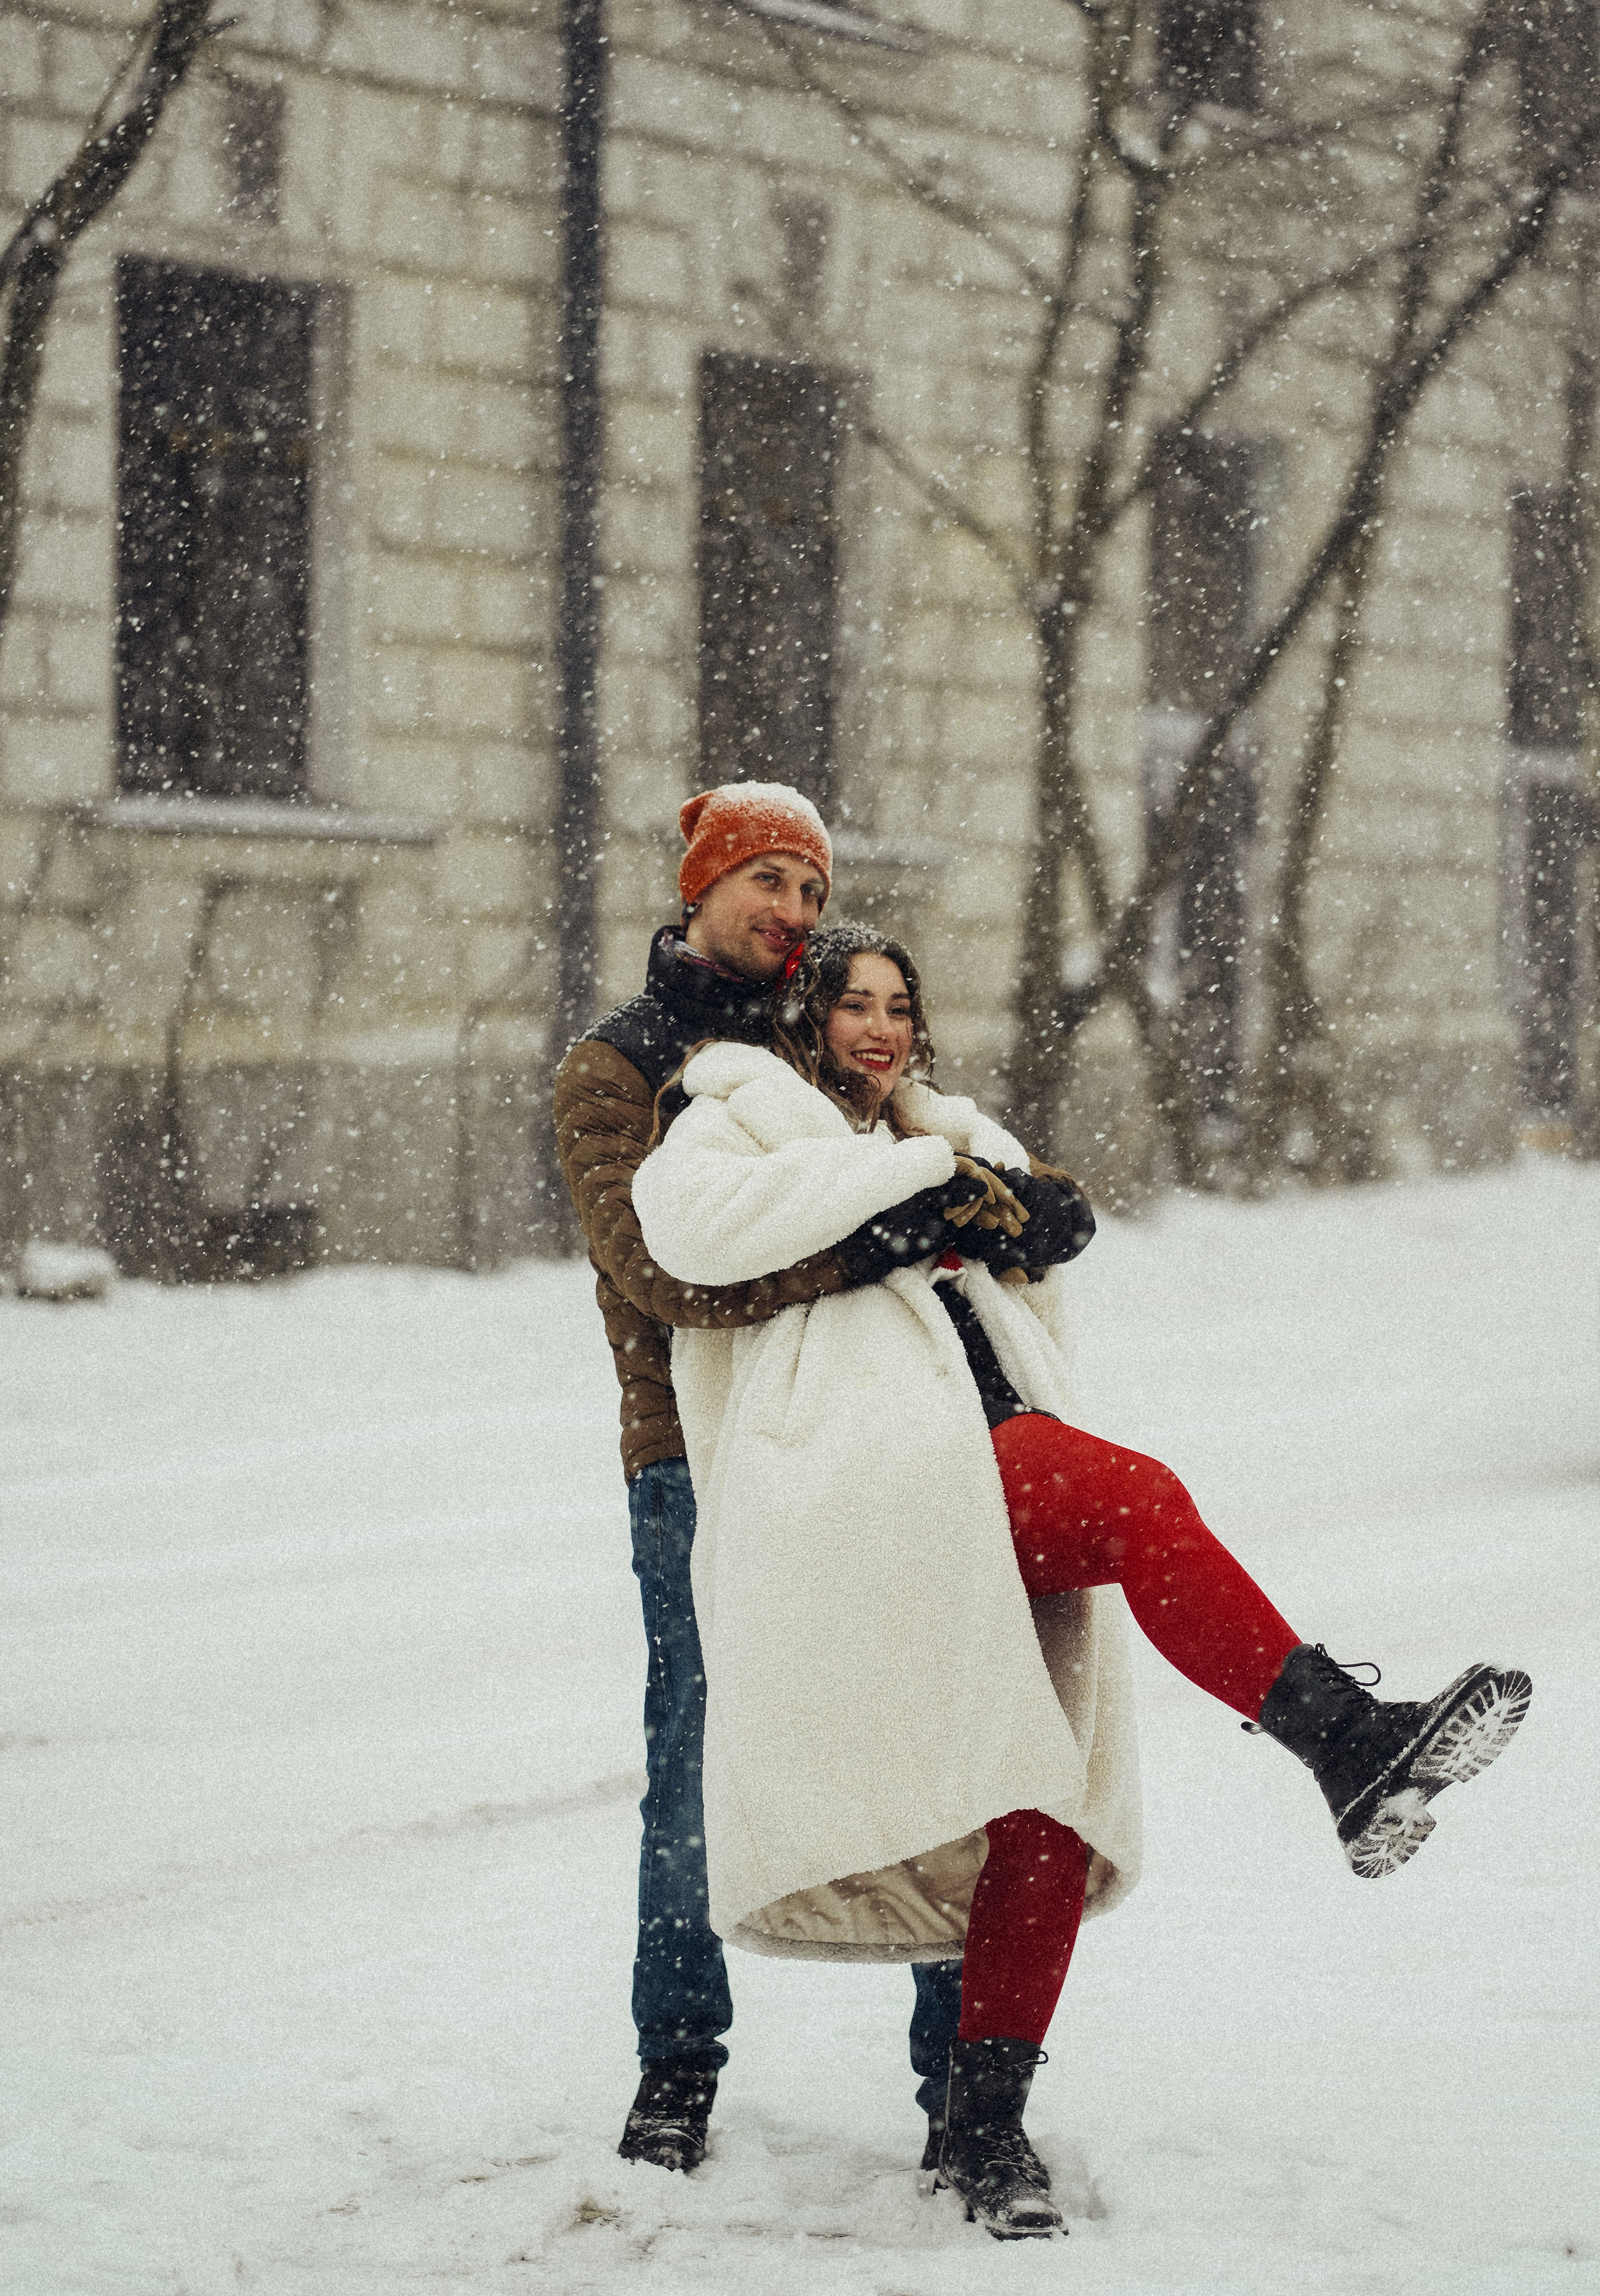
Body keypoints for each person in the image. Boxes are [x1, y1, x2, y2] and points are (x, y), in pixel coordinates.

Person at [631, 919, 1532, 2242]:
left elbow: (1029, 1211)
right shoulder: (733, 1113)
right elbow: (687, 1234)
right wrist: (911, 1195)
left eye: (899, 1007)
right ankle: (1344, 1740)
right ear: (804, 1017)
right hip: (865, 1480)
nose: (879, 1030)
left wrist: (1022, 1211)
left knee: (1040, 1795)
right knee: (1137, 1499)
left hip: (977, 1458)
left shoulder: (941, 1131)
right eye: (852, 1005)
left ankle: (981, 2125)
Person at [551, 786, 968, 2176]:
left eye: (807, 887)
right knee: (695, 1747)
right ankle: (675, 2064)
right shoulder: (618, 1067)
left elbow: (942, 1150)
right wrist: (862, 1248)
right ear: (701, 888)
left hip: (873, 1431)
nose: (789, 911)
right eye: (765, 883)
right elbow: (660, 1269)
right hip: (693, 1449)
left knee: (931, 1727)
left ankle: (960, 2076)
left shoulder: (821, 1031)